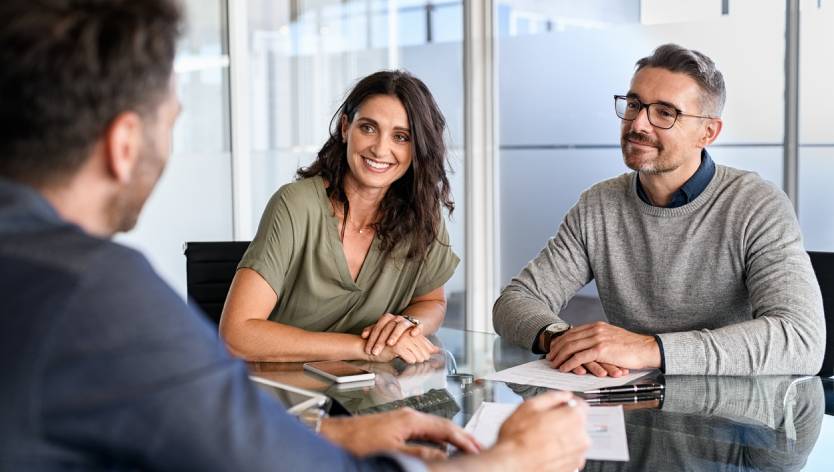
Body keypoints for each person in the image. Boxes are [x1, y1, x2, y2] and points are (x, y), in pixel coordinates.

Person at [0, 1, 590, 471]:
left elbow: (199, 439)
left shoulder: (44, 275)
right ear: (124, 143)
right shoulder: (100, 298)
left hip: (328, 411)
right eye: (174, 120)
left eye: (402, 137)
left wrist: (343, 426)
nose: (383, 148)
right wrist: (514, 459)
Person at [493, 43, 825, 377]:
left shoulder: (756, 205)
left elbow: (800, 339)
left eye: (665, 113)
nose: (638, 124)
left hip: (735, 416)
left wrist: (649, 348)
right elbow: (515, 301)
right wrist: (562, 339)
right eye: (634, 104)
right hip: (628, 404)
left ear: (708, 132)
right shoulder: (598, 205)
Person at [220, 71, 459, 364]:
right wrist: (364, 349)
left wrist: (408, 324)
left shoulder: (422, 213)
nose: (381, 148)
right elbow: (236, 335)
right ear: (346, 128)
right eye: (369, 128)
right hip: (281, 393)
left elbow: (431, 301)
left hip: (367, 396)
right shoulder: (295, 205)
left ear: (417, 147)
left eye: (401, 136)